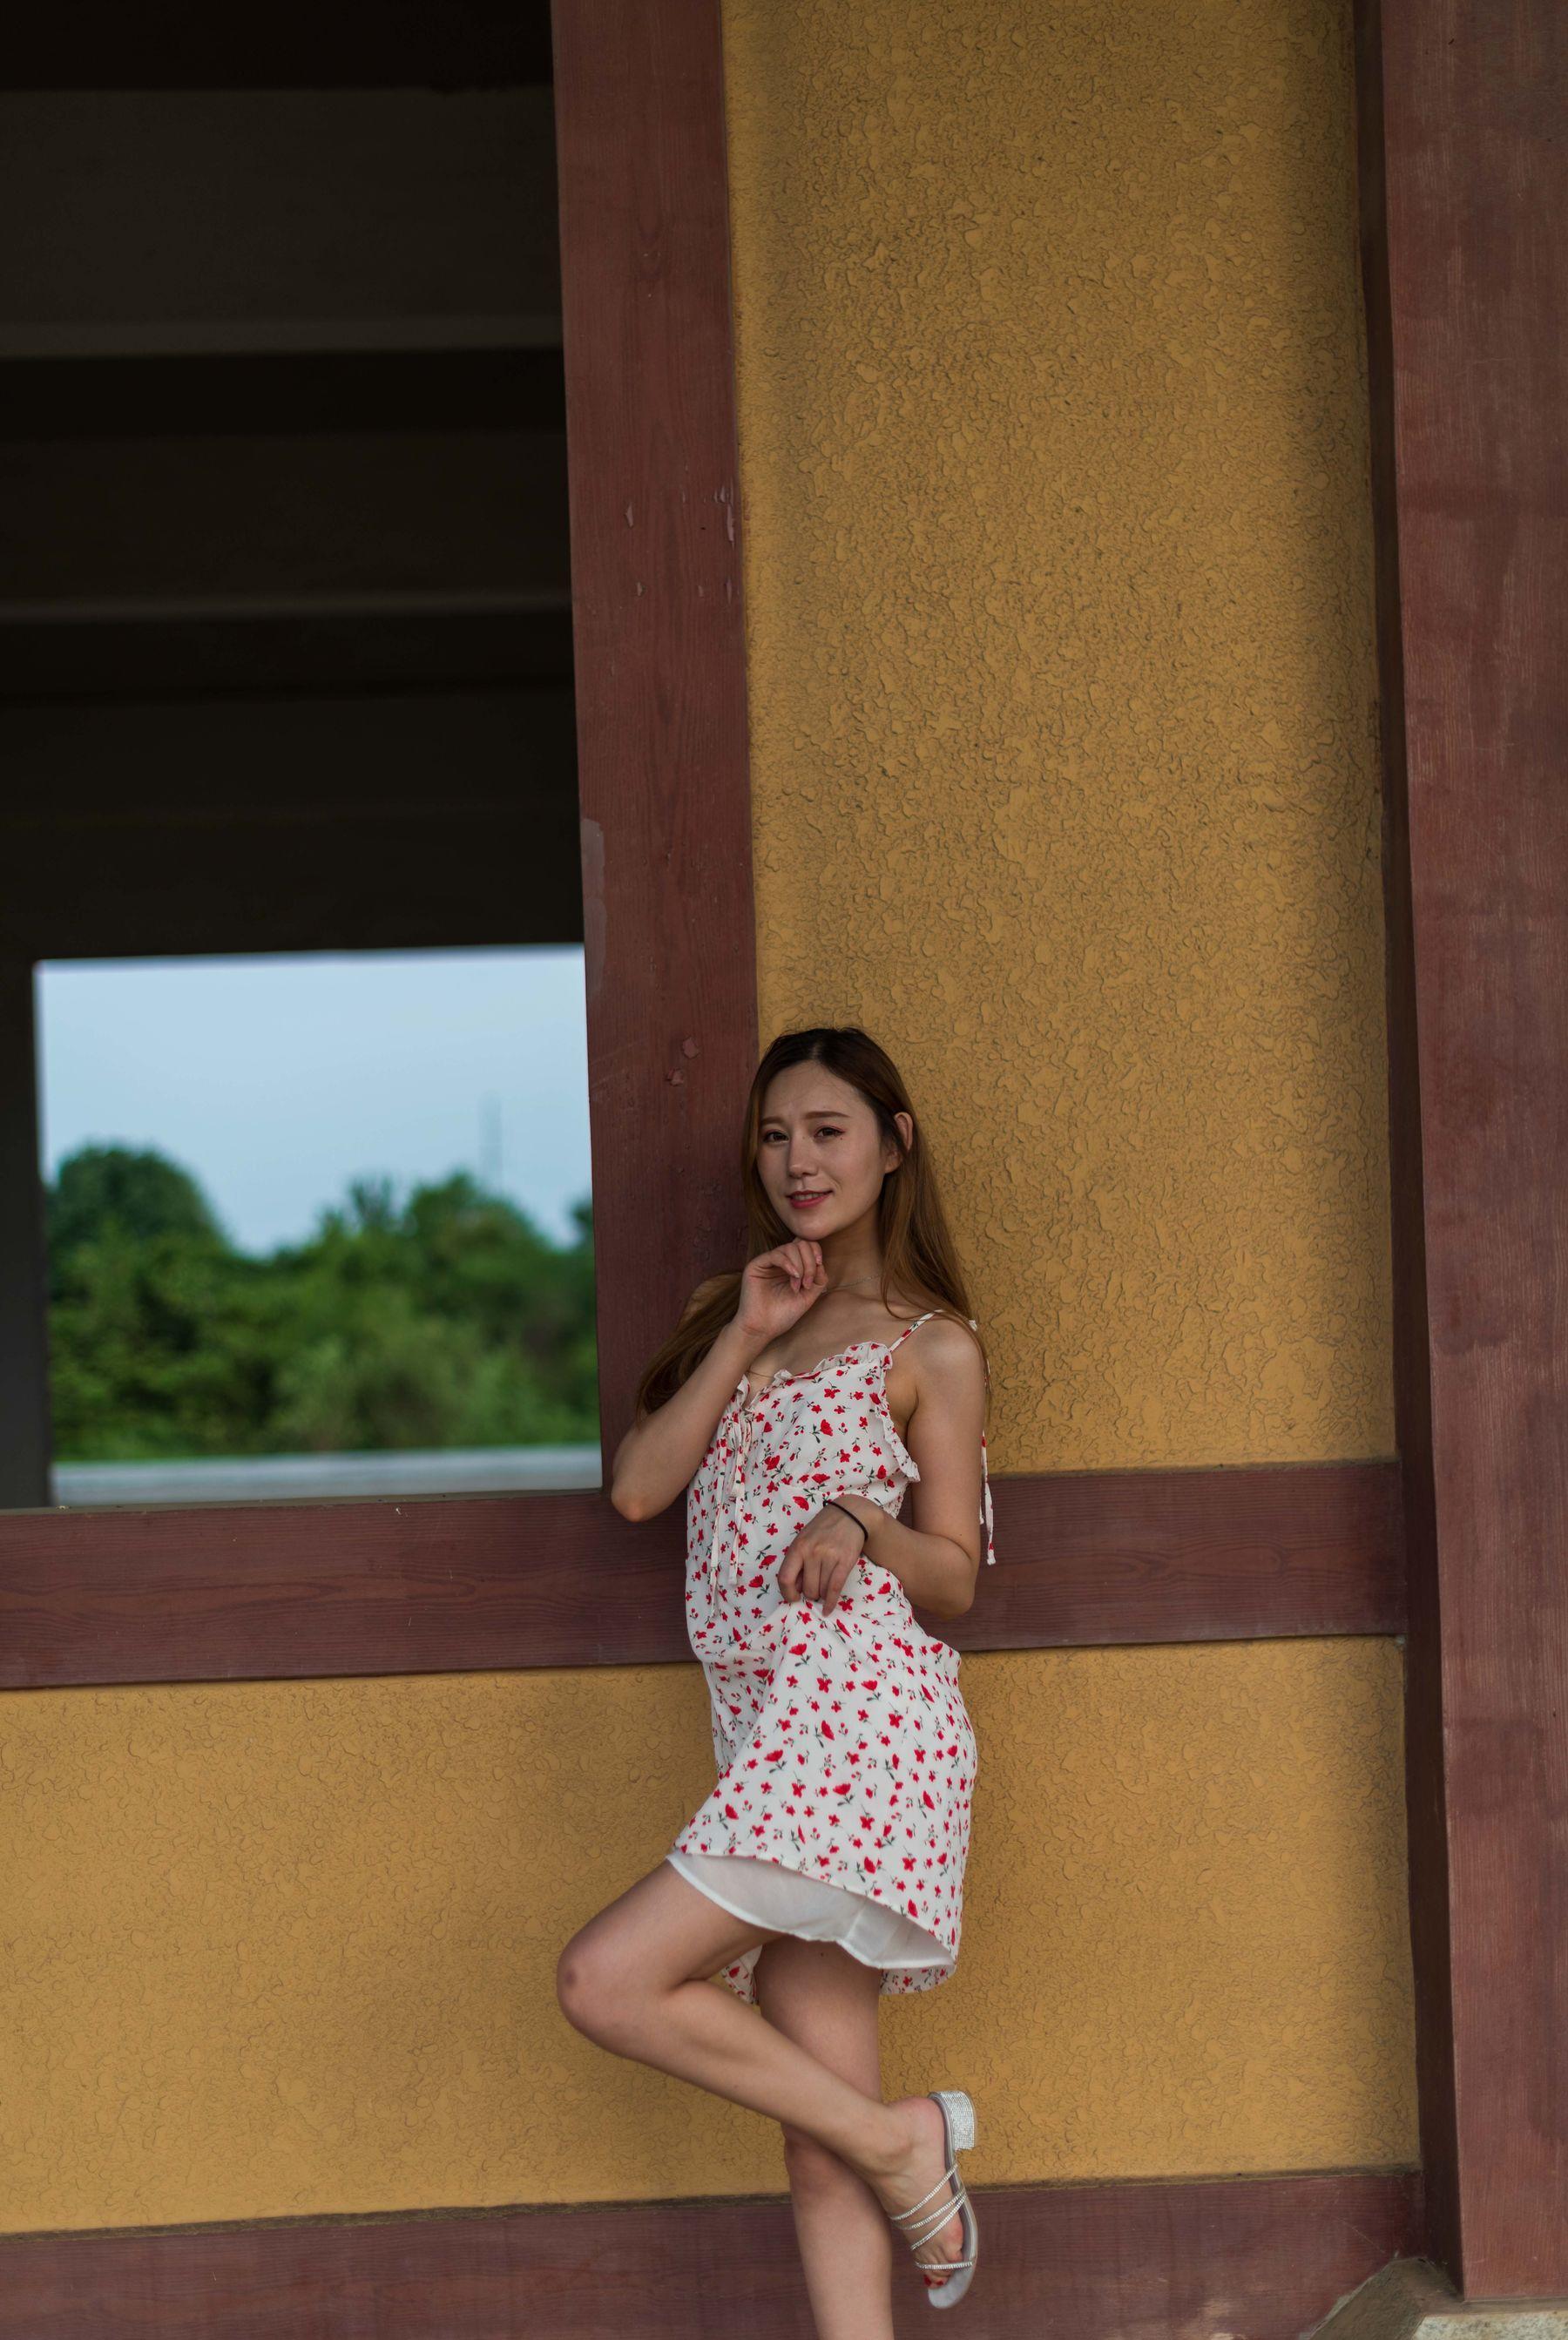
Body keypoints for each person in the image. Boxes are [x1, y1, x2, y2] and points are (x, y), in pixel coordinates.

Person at [555, 1025, 996, 2329]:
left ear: (893, 1145)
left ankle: (905, 2143)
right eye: (774, 1135)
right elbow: (640, 1490)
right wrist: (748, 1327)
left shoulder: (931, 1347)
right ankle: (894, 2145)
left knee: (605, 1979)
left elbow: (956, 1576)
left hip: (861, 1731)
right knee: (818, 2134)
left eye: (827, 1130)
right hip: (766, 1737)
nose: (798, 1160)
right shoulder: (743, 1315)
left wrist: (863, 1517)